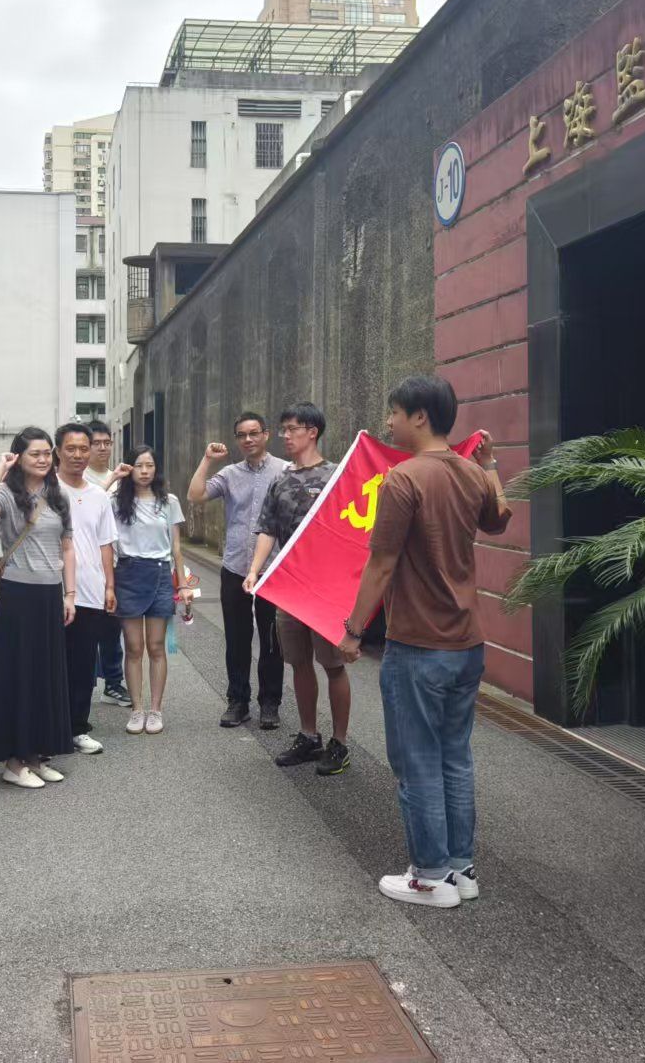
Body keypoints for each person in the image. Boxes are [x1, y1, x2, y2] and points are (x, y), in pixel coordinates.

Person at [344, 376, 510, 908]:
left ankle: (430, 878)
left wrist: (353, 630)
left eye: (394, 413)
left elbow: (381, 563)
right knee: (455, 757)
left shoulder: (403, 479)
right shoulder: (471, 473)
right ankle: (461, 869)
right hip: (467, 642)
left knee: (417, 761)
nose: (388, 422)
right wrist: (490, 465)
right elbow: (499, 520)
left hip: (418, 644)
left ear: (419, 416)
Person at [245, 403, 350, 776]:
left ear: (312, 432)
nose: (285, 436)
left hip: (327, 590)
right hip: (291, 587)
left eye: (292, 429)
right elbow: (268, 530)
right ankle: (309, 735)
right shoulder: (280, 481)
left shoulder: (337, 477)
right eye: (284, 429)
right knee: (299, 662)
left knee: (333, 665)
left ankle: (339, 742)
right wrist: (255, 571)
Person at [0, 429, 76, 787]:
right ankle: (13, 762)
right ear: (19, 457)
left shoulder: (57, 495)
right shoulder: (6, 492)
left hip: (49, 594)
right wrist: (1, 468)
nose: (44, 459)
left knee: (45, 676)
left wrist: (70, 594)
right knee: (18, 676)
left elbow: (67, 547)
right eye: (35, 454)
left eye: (47, 453)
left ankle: (36, 755)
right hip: (17, 595)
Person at [188, 412, 288, 730]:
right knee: (236, 638)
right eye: (242, 435)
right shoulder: (230, 474)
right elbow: (195, 495)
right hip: (235, 565)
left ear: (266, 435)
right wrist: (207, 459)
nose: (248, 439)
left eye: (254, 433)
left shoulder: (285, 471)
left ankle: (270, 703)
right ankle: (238, 701)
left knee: (272, 639)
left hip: (273, 568)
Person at [110, 447, 185, 736]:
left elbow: (176, 547)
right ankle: (136, 709)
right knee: (133, 647)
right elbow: (89, 504)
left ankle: (155, 710)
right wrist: (114, 478)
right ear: (129, 468)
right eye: (138, 465)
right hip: (127, 573)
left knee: (156, 646)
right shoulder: (115, 501)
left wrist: (183, 585)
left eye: (149, 465)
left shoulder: (169, 501)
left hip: (160, 573)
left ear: (156, 468)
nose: (144, 471)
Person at [54, 422, 118, 756]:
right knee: (52, 662)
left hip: (91, 591)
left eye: (84, 448)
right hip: (53, 590)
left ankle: (77, 728)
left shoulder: (98, 496)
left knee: (82, 665)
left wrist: (109, 586)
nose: (78, 455)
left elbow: (106, 543)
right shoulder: (48, 490)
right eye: (71, 448)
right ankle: (50, 729)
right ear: (58, 451)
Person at [84, 419, 130, 708]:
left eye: (106, 442)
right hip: (86, 565)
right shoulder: (79, 477)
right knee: (87, 627)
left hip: (116, 562)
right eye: (96, 443)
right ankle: (83, 684)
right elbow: (87, 506)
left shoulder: (124, 478)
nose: (102, 448)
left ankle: (113, 683)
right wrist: (111, 479)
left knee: (113, 627)